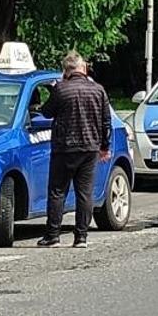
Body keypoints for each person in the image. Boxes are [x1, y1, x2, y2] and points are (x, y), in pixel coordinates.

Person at [38, 51, 111, 248]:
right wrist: (105, 147)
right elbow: (106, 122)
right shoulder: (98, 90)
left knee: (57, 192)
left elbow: (46, 112)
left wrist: (56, 87)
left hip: (64, 149)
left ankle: (53, 235)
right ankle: (81, 237)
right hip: (90, 148)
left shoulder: (61, 90)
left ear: (66, 71)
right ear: (83, 68)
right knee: (84, 193)